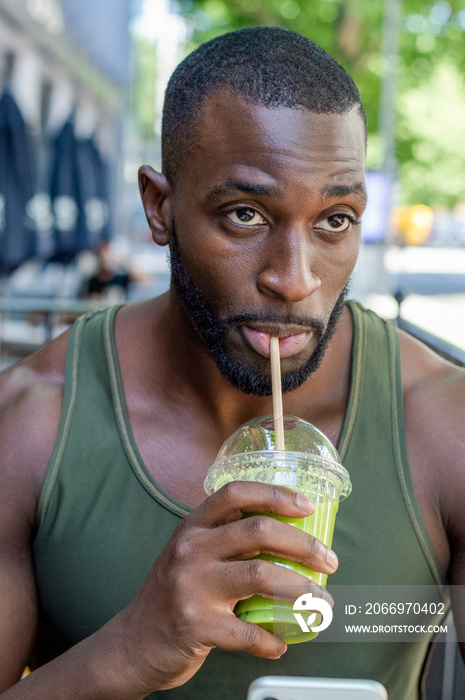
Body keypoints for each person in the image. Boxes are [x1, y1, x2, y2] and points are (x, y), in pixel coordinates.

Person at [0, 26, 463, 700]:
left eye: (334, 220)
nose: (293, 279)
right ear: (160, 207)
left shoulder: (443, 425)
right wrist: (127, 650)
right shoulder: (30, 423)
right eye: (244, 214)